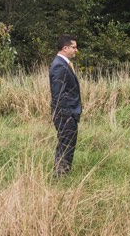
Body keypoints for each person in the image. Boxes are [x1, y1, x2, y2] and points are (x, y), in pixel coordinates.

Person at [49, 34, 81, 177]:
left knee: (68, 144)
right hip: (65, 114)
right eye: (74, 47)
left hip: (68, 113)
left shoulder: (63, 64)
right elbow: (58, 94)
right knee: (65, 145)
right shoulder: (59, 66)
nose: (76, 50)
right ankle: (60, 175)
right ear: (65, 48)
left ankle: (63, 173)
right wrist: (67, 115)